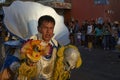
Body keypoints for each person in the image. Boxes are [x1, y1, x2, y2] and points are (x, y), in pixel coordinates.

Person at [30, 15, 82, 80]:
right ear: (39, 29)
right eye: (45, 28)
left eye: (51, 28)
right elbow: (15, 61)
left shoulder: (56, 44)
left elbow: (61, 64)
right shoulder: (29, 43)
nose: (48, 32)